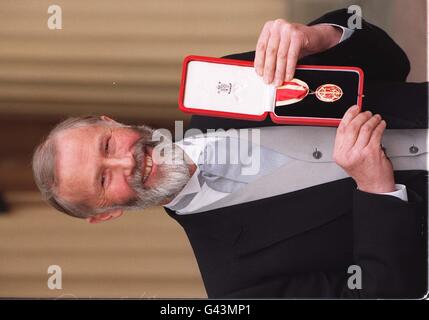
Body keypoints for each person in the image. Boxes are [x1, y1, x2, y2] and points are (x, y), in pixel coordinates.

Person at [32, 9, 428, 298]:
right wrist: (377, 191)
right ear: (106, 214)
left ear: (112, 122)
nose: (126, 161)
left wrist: (320, 36)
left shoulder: (224, 89)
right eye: (104, 178)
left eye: (107, 145)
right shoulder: (235, 283)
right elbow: (383, 294)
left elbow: (392, 62)